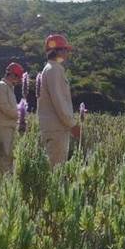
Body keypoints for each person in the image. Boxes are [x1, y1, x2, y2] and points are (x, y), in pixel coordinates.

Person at [37, 34, 81, 167]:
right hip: (56, 130)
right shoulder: (54, 70)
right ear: (57, 51)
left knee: (54, 168)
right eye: (65, 50)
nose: (67, 53)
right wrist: (72, 124)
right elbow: (59, 101)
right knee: (56, 170)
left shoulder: (51, 69)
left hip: (54, 128)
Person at [0, 62, 24, 173]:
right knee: (4, 156)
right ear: (13, 75)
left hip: (10, 127)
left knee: (10, 156)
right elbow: (3, 106)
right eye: (18, 78)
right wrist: (19, 115)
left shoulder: (9, 89)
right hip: (3, 128)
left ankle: (8, 181)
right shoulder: (1, 86)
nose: (19, 81)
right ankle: (3, 182)